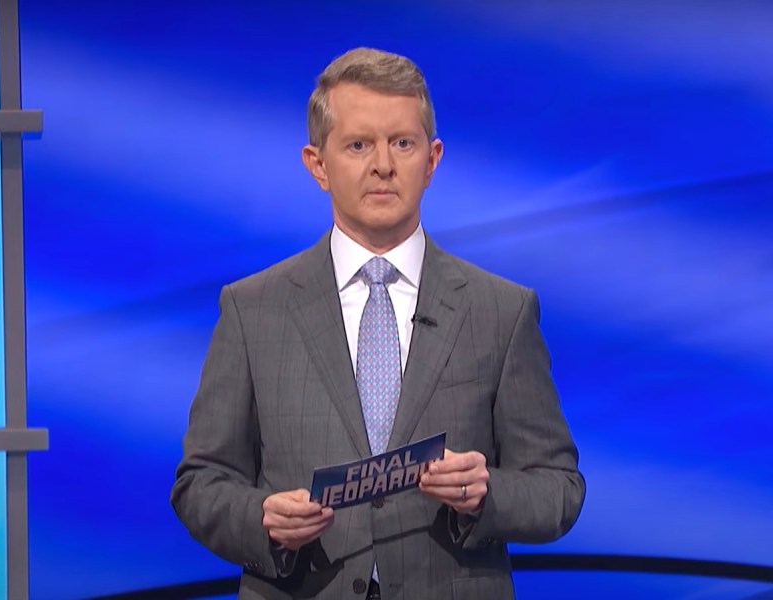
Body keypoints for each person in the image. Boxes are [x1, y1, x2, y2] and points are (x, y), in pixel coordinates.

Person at [171, 47, 584, 600]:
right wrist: (261, 517)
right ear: (318, 164)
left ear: (432, 159)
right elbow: (200, 484)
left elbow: (559, 489)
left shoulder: (501, 311)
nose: (383, 165)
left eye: (403, 143)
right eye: (359, 145)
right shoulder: (253, 309)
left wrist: (486, 494)